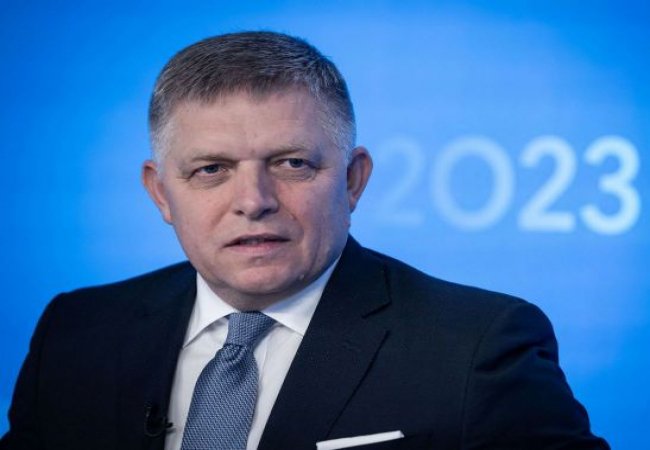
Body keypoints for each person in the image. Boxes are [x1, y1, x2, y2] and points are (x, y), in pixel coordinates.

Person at [1, 31, 608, 450]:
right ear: (161, 193)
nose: (253, 200)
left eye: (292, 163)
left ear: (353, 180)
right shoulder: (76, 334)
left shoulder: (477, 348)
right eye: (211, 169)